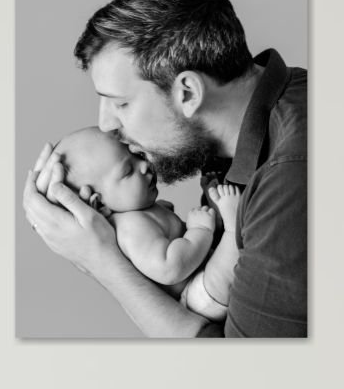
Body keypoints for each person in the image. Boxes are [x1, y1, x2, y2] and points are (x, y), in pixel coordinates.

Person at [23, 0, 307, 338]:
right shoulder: (242, 137)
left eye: (121, 103)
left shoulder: (290, 178)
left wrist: (101, 260)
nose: (105, 125)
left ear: (187, 92)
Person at [41, 125, 244, 322]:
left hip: (201, 269)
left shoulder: (140, 213)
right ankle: (233, 227)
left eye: (137, 156)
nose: (144, 165)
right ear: (99, 203)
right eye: (128, 171)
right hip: (198, 294)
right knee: (223, 268)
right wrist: (200, 230)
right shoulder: (130, 228)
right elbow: (170, 267)